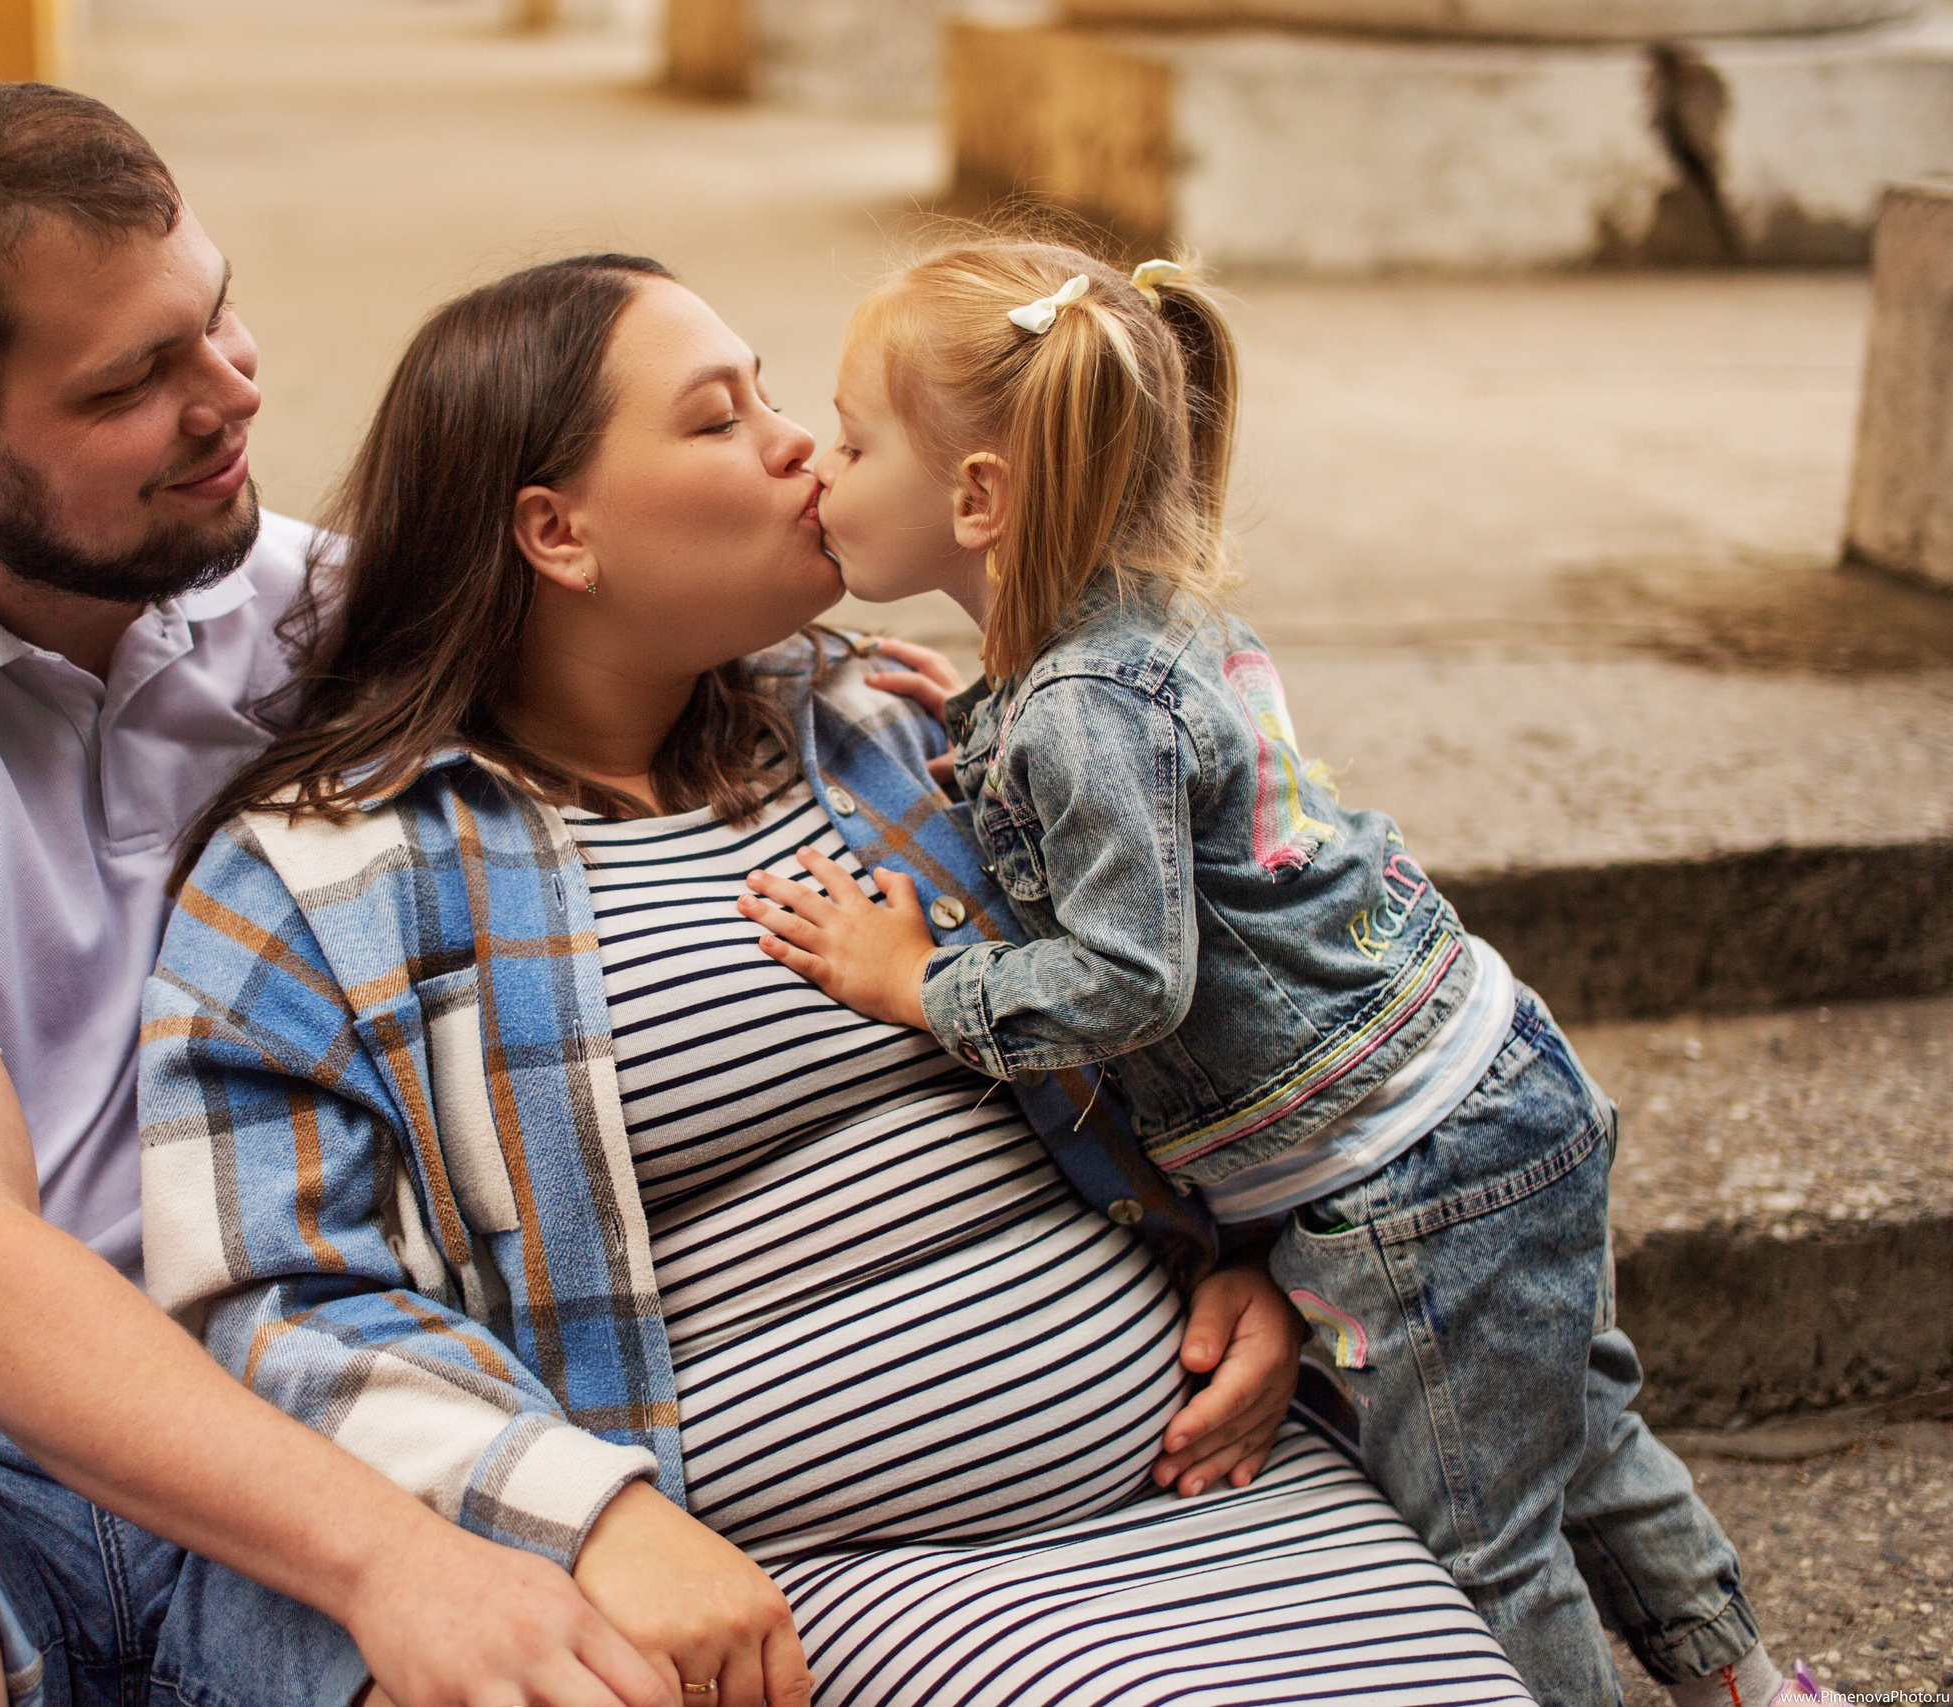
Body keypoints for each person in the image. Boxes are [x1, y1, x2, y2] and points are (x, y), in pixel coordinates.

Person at [140, 252, 1539, 1706]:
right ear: (559, 533)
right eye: (718, 417)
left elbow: (1206, 997)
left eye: (777, 397)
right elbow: (274, 1299)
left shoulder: (896, 725)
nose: (798, 442)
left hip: (1208, 1479)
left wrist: (1261, 1256)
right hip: (844, 1583)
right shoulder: (321, 879)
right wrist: (591, 1514)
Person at [0, 86, 679, 1707]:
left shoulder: (332, 622)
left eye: (216, 315)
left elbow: (683, 694)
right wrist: (395, 1562)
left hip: (315, 1377)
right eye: (133, 380)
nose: (231, 392)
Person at [730, 237, 1801, 1707]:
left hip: (1410, 1167)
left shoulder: (1079, 710)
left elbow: (1128, 984)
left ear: (977, 500)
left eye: (854, 444)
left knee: (1479, 1546)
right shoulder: (1122, 634)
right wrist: (983, 707)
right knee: (1585, 1438)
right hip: (1491, 1084)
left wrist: (920, 982)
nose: (820, 468)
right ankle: (1748, 1687)